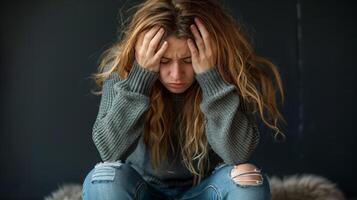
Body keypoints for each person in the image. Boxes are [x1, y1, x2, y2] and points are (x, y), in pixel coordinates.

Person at [82, 0, 285, 199]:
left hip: (206, 189)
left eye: (188, 60)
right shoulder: (124, 72)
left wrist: (211, 78)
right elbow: (109, 151)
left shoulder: (228, 73)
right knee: (104, 179)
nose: (176, 75)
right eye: (164, 61)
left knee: (246, 178)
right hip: (143, 190)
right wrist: (139, 78)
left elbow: (237, 154)